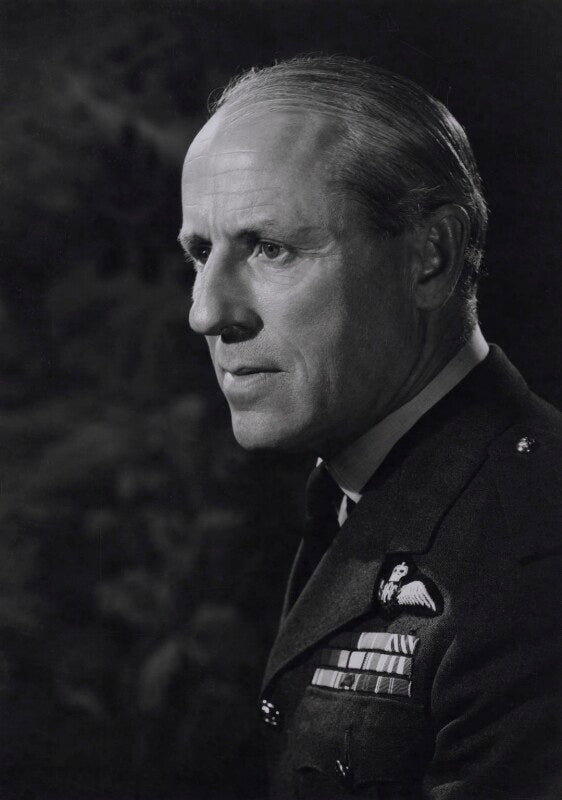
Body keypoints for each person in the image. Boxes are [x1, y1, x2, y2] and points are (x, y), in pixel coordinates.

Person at [179, 56, 561, 799]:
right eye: (200, 253)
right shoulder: (355, 487)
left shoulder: (533, 560)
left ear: (430, 257)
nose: (206, 311)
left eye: (270, 248)